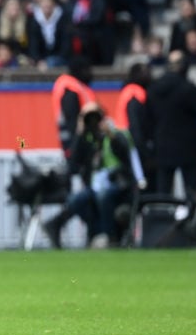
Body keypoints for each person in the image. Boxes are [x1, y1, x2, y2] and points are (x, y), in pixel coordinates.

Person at [42, 103, 147, 248]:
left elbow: (126, 156)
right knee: (77, 199)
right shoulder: (88, 139)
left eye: (95, 116)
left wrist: (109, 135)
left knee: (103, 196)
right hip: (96, 186)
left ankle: (110, 237)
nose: (93, 122)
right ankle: (56, 224)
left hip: (120, 183)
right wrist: (79, 134)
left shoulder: (117, 133)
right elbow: (73, 165)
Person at [146, 51, 196, 204]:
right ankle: (192, 226)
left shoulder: (153, 89)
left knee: (163, 195)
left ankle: (161, 226)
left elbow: (148, 118)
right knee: (192, 194)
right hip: (188, 147)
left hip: (163, 145)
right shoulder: (188, 88)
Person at [51, 56, 96, 157]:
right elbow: (71, 120)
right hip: (74, 142)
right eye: (87, 70)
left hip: (76, 140)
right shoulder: (71, 92)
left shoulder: (76, 88)